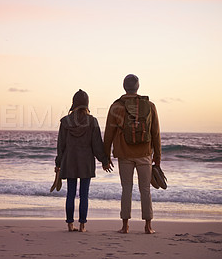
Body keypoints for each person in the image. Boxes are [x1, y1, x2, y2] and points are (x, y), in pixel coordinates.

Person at [104, 74, 161, 234]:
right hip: (144, 153)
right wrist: (157, 157)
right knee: (145, 189)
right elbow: (155, 132)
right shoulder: (150, 105)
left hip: (124, 153)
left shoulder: (116, 106)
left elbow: (109, 133)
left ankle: (125, 226)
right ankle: (148, 226)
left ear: (124, 86)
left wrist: (105, 156)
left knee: (126, 188)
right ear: (138, 87)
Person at [55, 89, 112, 232]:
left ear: (73, 103)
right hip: (86, 162)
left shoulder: (65, 121)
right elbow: (97, 145)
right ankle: (82, 225)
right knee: (84, 195)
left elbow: (61, 145)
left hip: (69, 161)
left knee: (70, 193)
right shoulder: (92, 121)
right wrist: (104, 161)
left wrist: (58, 163)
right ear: (87, 104)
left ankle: (69, 224)